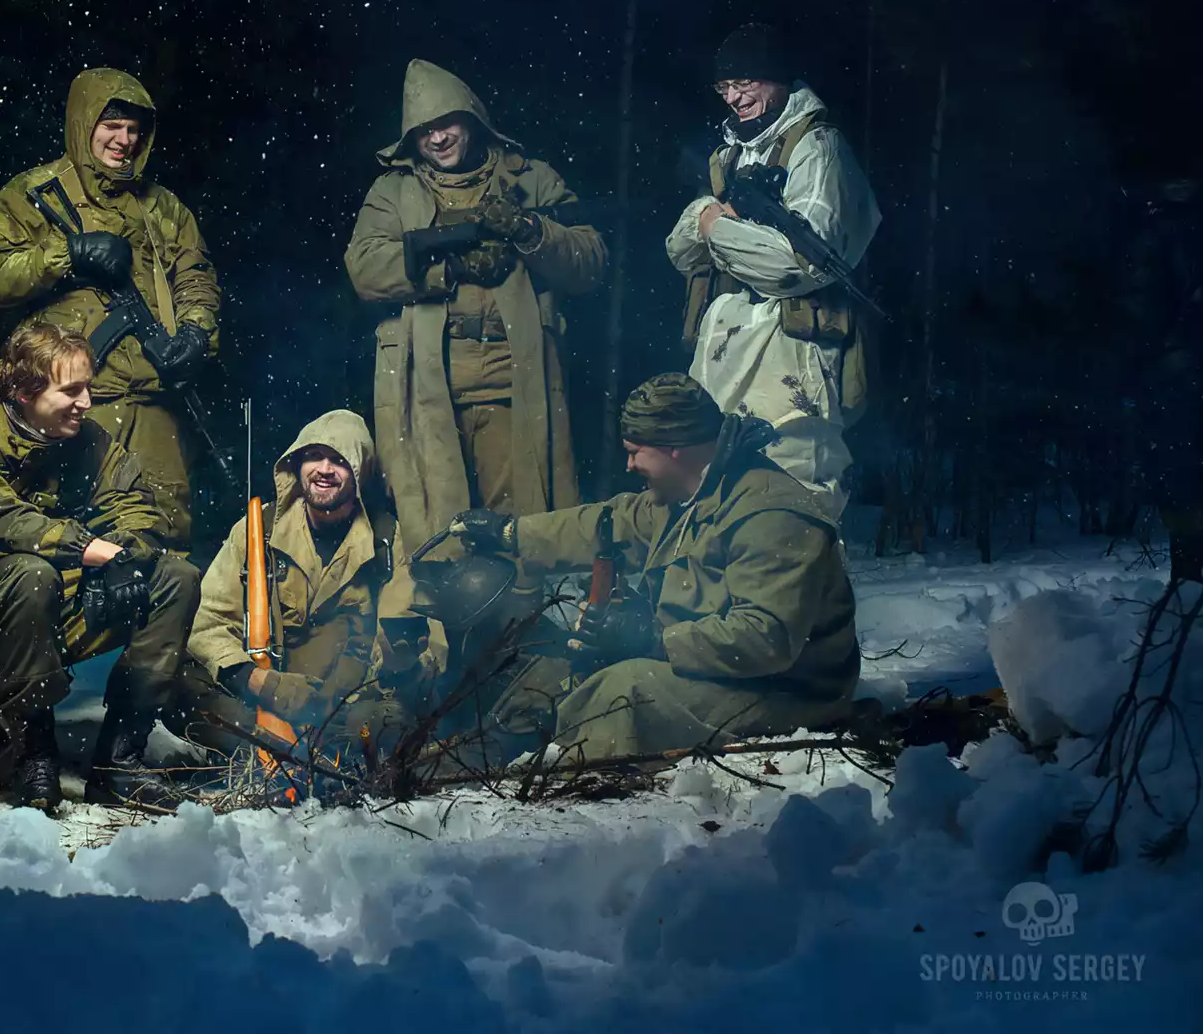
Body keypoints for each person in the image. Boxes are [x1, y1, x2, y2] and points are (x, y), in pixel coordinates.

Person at [343, 58, 605, 706]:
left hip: (519, 390)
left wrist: (529, 230)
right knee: (440, 537)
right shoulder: (394, 192)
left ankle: (525, 679)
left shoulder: (529, 179)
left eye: (448, 123)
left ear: (472, 119)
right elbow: (366, 267)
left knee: (519, 534)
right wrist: (448, 263)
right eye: (424, 129)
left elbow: (589, 261)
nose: (437, 137)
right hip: (428, 396)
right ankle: (445, 685)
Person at [454, 373, 860, 760]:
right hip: (724, 672)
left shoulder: (770, 514)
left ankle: (552, 771)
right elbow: (604, 525)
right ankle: (494, 747)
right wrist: (510, 534)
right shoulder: (688, 494)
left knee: (625, 690)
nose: (629, 466)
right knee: (558, 665)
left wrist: (654, 639)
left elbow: (764, 638)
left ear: (673, 449)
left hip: (790, 691)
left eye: (635, 452)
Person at [0, 321, 202, 812]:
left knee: (175, 578)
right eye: (71, 390)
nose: (86, 402)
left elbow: (137, 507)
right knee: (31, 573)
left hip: (46, 609)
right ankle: (34, 753)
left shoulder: (85, 439)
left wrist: (120, 556)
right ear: (24, 392)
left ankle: (119, 761)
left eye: (88, 388)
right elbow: (1, 520)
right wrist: (87, 549)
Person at [0, 70, 220, 550]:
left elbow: (195, 277)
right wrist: (68, 254)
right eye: (112, 125)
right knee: (66, 537)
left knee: (164, 536)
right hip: (67, 407)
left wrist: (194, 333)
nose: (125, 140)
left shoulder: (163, 209)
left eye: (134, 129)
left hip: (152, 404)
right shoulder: (34, 193)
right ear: (85, 124)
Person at [665, 23, 881, 519]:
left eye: (746, 83)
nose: (734, 98)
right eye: (724, 87)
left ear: (779, 78)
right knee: (714, 490)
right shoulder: (729, 155)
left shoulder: (818, 148)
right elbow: (681, 252)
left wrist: (719, 231)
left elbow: (798, 266)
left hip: (793, 349)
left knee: (795, 491)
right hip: (724, 346)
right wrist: (707, 217)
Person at [184, 411, 439, 759]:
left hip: (346, 705)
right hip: (264, 697)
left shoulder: (385, 539)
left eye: (339, 460)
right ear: (297, 464)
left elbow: (401, 643)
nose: (324, 469)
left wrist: (354, 685)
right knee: (180, 684)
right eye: (314, 456)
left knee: (383, 727)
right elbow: (207, 623)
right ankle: (265, 753)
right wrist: (262, 683)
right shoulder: (258, 529)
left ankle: (321, 757)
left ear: (360, 471)